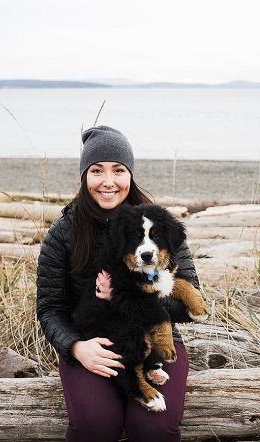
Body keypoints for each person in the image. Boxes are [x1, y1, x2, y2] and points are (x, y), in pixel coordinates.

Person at [36, 126, 200, 441]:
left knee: (154, 427)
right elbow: (50, 307)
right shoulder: (64, 231)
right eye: (97, 170)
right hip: (92, 343)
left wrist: (132, 294)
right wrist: (75, 346)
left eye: (118, 170)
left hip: (154, 342)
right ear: (84, 176)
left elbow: (187, 303)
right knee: (95, 424)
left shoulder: (159, 225)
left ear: (130, 175)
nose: (108, 181)